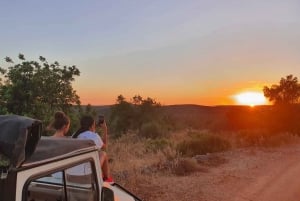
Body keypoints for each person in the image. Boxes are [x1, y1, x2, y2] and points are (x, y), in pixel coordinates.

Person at [72, 115, 112, 182]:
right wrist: (105, 130)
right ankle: (106, 178)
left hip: (72, 173)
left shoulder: (74, 135)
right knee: (103, 153)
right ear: (92, 126)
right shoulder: (94, 136)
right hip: (86, 174)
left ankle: (105, 177)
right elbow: (104, 147)